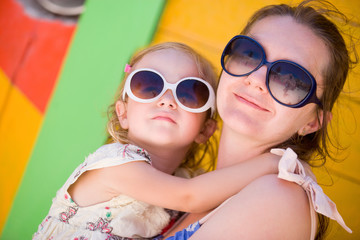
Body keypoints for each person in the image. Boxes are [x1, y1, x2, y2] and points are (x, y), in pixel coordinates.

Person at [33, 42, 280, 240]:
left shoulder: (187, 182)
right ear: (124, 113)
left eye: (190, 93)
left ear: (205, 130)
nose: (167, 99)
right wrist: (272, 163)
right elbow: (191, 197)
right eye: (149, 85)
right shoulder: (114, 164)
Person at [164, 0, 357, 239]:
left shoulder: (280, 197)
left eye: (291, 79)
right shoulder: (186, 182)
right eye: (250, 54)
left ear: (313, 122)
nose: (255, 79)